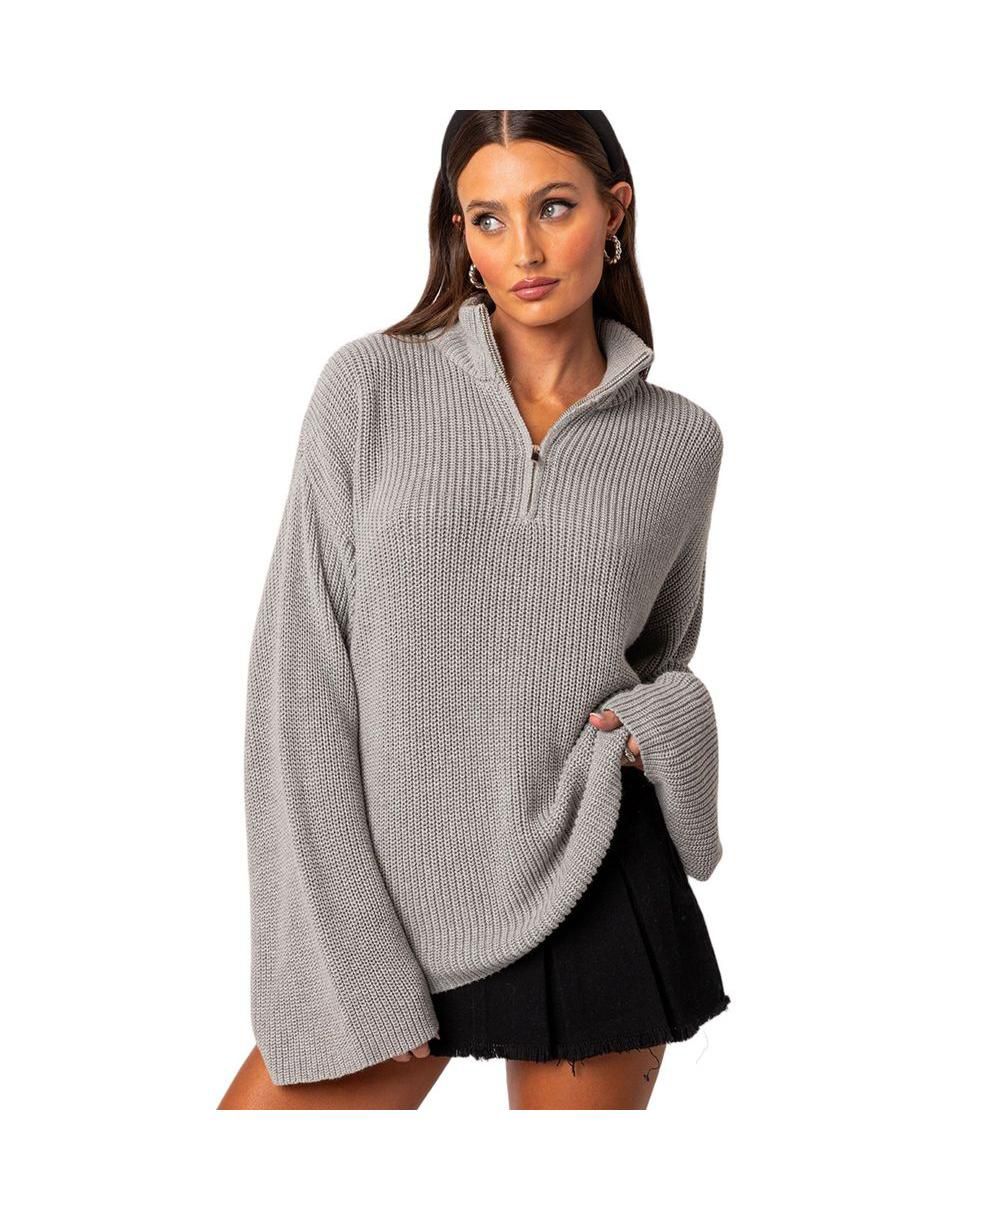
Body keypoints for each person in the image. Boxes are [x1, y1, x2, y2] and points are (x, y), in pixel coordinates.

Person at [218, 110, 730, 1111]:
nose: (523, 250)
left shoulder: (681, 443)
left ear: (614, 212)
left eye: (554, 208)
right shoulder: (370, 387)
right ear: (460, 234)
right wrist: (346, 949)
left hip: (590, 870)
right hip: (396, 896)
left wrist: (662, 719)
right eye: (488, 219)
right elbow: (299, 679)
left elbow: (661, 656)